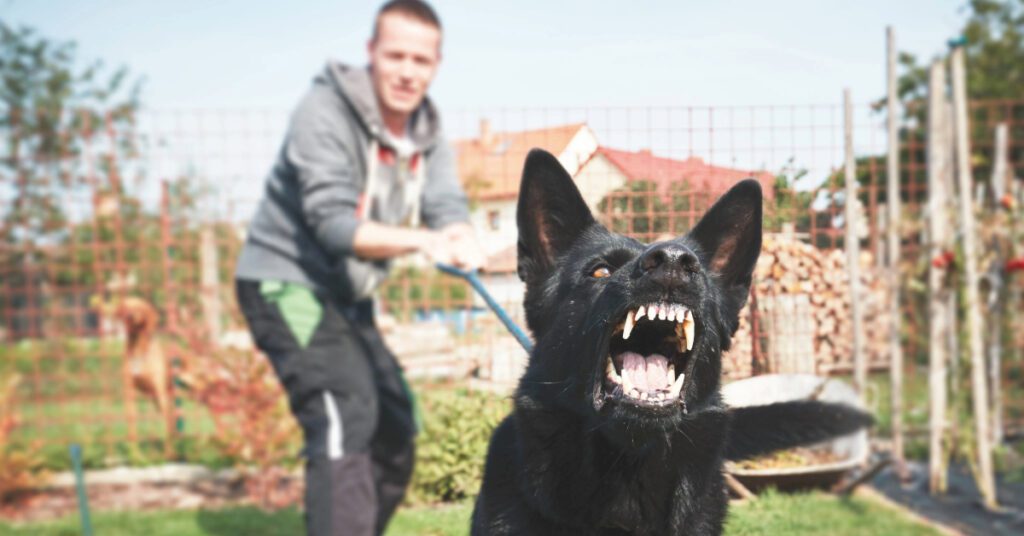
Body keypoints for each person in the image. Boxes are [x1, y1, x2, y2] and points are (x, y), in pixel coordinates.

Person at [234, 1, 483, 534]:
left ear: (437, 64)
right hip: (286, 283)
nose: (407, 71)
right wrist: (425, 241)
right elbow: (333, 225)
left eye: (421, 59)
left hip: (347, 297)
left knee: (395, 428)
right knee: (345, 413)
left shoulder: (428, 133)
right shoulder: (322, 112)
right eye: (395, 55)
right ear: (371, 53)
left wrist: (459, 234)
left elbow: (446, 204)